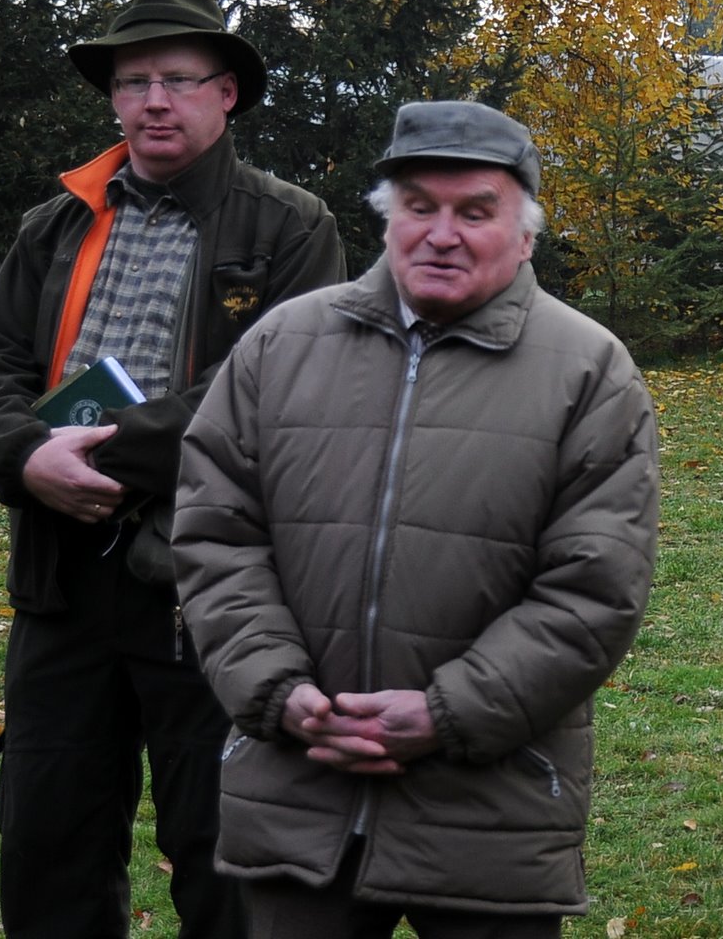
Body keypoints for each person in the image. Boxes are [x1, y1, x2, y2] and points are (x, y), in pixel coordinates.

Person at [172, 99, 661, 939]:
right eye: (419, 207)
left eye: (475, 212)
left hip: (491, 809)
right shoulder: (279, 346)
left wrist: (443, 714)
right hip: (301, 791)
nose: (442, 234)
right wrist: (280, 693)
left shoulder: (591, 372)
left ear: (526, 236)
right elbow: (217, 536)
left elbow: (594, 589)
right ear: (387, 219)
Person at [0, 0, 346, 938]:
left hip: (210, 585)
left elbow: (278, 388)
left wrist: (100, 453)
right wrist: (24, 459)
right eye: (133, 82)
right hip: (59, 584)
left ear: (227, 93)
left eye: (177, 79)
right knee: (48, 844)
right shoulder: (57, 224)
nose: (153, 101)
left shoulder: (291, 226)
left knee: (225, 853)